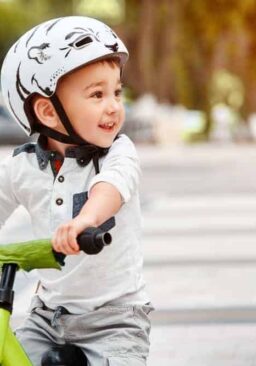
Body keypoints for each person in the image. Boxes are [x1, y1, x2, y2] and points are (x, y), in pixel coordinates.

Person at [0, 16, 153, 366]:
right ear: (48, 112)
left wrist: (86, 220)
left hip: (114, 320)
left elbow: (112, 186)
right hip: (46, 318)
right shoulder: (23, 166)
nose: (113, 105)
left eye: (116, 92)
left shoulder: (118, 152)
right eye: (97, 94)